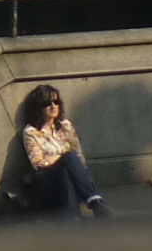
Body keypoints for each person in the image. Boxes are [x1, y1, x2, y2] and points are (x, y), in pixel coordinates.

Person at [18, 84, 111, 219]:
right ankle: (95, 202)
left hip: (69, 179)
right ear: (38, 107)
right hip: (47, 184)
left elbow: (79, 157)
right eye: (47, 103)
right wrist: (63, 158)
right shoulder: (31, 132)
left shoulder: (65, 126)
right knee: (68, 159)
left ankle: (73, 216)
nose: (53, 106)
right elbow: (39, 164)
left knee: (66, 170)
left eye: (56, 102)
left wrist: (58, 159)